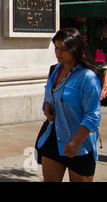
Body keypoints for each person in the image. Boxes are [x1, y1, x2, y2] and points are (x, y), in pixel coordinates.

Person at [37, 28, 101, 182]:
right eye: (56, 48)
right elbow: (49, 96)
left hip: (79, 145)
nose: (58, 53)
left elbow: (92, 116)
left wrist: (76, 142)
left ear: (75, 50)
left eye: (63, 49)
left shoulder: (87, 77)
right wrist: (46, 106)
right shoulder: (55, 70)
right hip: (54, 138)